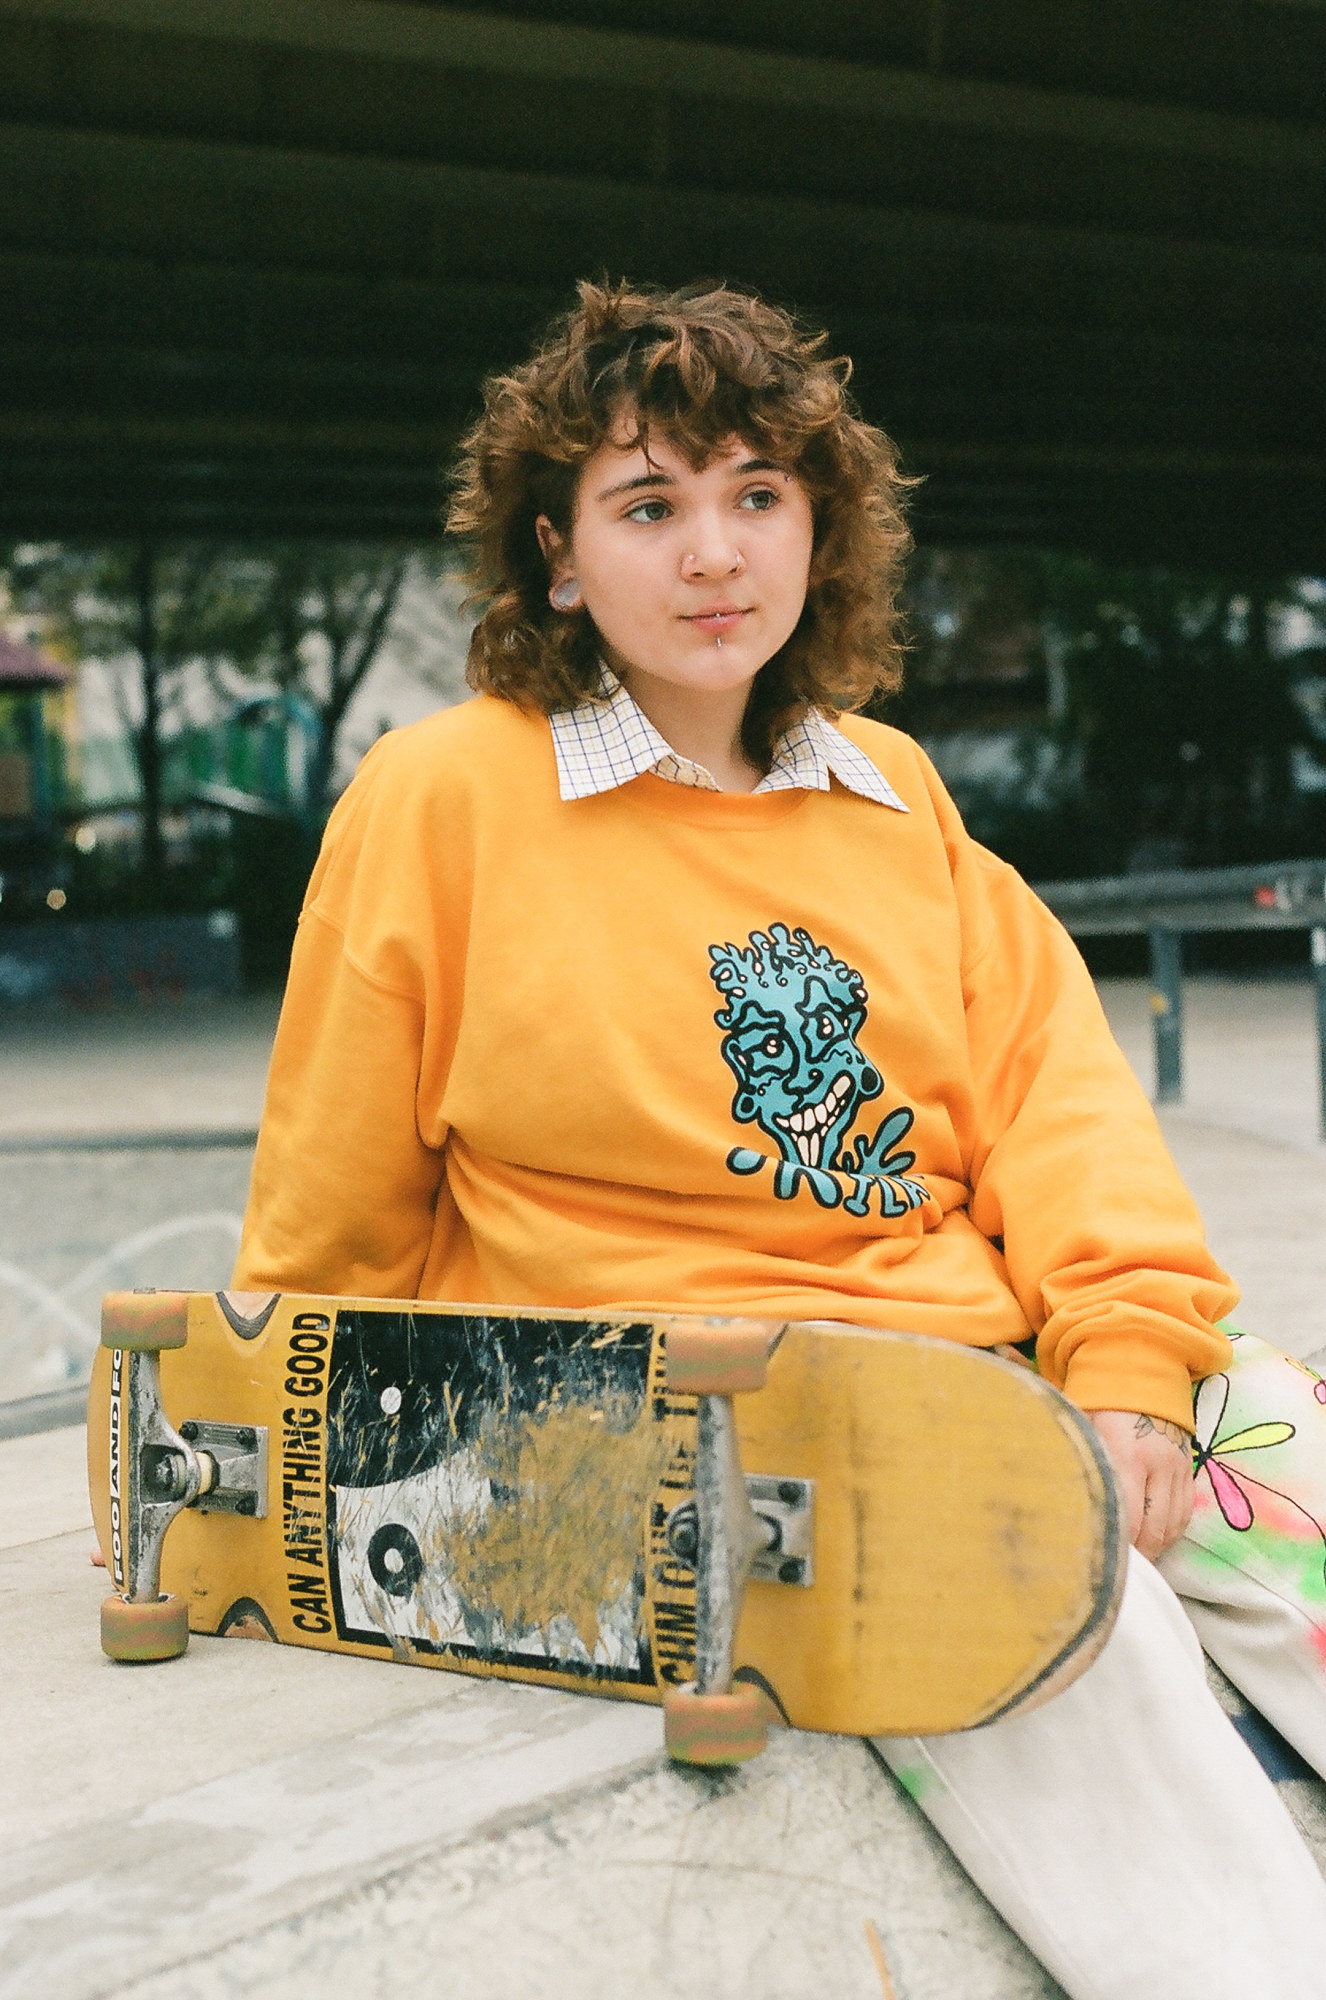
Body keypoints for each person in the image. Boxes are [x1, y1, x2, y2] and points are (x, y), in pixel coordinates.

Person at [235, 280, 1326, 1998]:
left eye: (756, 495)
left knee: (1290, 1458)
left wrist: (1125, 1360)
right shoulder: (442, 797)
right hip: (710, 1413)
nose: (712, 552)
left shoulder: (888, 790)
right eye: (648, 506)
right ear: (558, 555)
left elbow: (1055, 1103)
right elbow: (333, 1191)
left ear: (822, 528)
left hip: (996, 1351)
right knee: (1063, 1626)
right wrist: (253, 1437)